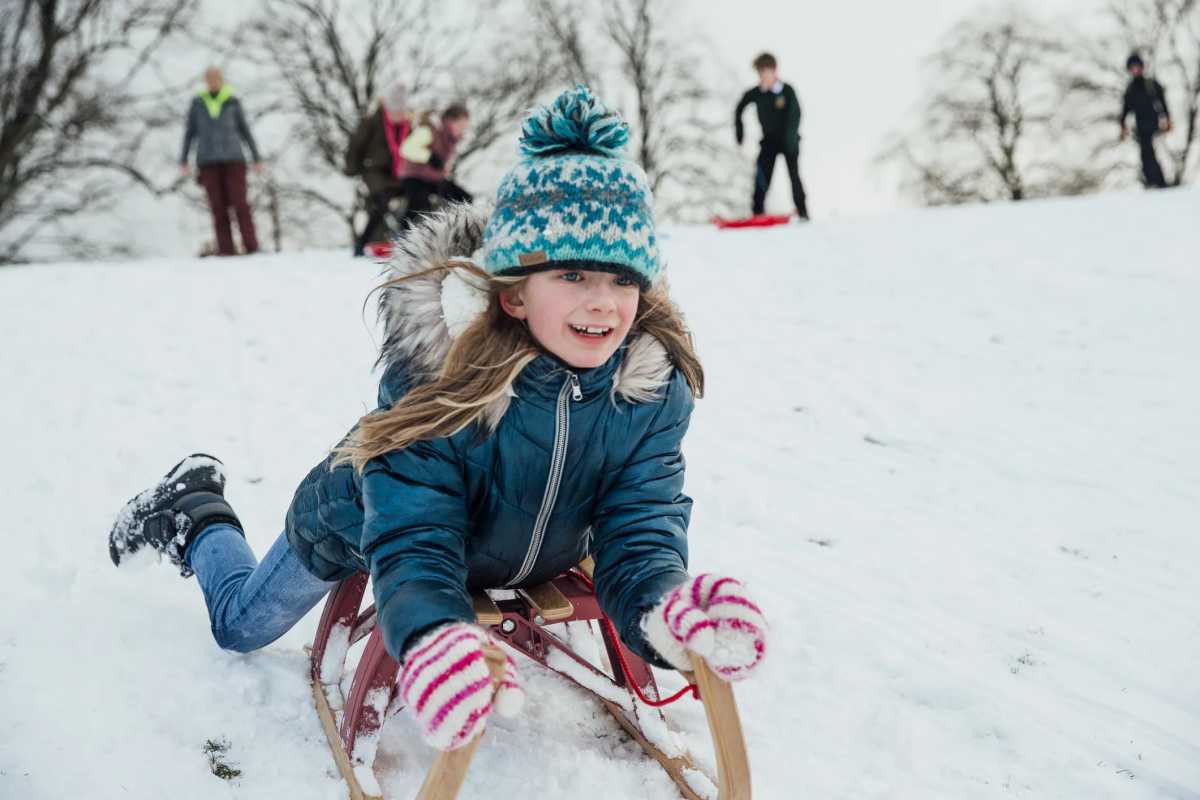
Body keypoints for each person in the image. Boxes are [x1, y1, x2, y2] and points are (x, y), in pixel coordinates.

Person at [108, 86, 769, 753]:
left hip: (510, 547)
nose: (603, 303)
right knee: (241, 626)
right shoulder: (440, 379)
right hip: (361, 515)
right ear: (512, 293)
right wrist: (430, 633)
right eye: (572, 276)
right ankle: (196, 512)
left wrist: (665, 606)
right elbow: (415, 538)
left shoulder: (648, 391)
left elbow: (640, 521)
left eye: (623, 279)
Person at [180, 67, 263, 256]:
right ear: (205, 81)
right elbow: (189, 133)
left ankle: (252, 246)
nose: (213, 81)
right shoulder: (198, 104)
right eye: (210, 78)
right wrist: (184, 159)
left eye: (217, 77)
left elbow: (245, 131)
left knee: (240, 203)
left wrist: (256, 157)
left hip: (234, 159)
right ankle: (225, 250)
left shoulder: (232, 102)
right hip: (207, 161)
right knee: (218, 207)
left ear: (222, 80)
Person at [735, 52, 809, 220]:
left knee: (794, 176)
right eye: (760, 74)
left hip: (788, 140)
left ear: (774, 71)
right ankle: (757, 212)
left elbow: (795, 115)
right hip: (769, 141)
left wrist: (790, 140)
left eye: (765, 73)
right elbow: (739, 108)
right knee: (761, 175)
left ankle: (803, 212)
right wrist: (740, 132)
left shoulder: (787, 91)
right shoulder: (757, 93)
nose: (763, 77)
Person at [345, 81, 411, 256]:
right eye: (395, 111)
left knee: (416, 195)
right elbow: (356, 146)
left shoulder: (407, 124)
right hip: (374, 170)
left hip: (400, 171)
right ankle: (362, 242)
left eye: (401, 111)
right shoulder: (372, 122)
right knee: (382, 201)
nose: (398, 114)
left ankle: (406, 239)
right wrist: (353, 169)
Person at [395, 103, 473, 232]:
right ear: (449, 120)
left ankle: (460, 231)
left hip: (433, 178)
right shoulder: (429, 130)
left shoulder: (451, 139)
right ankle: (401, 235)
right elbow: (406, 149)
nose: (463, 128)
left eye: (465, 125)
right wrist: (429, 157)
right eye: (461, 124)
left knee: (464, 198)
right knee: (420, 202)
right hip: (413, 175)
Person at [1120, 52, 1173, 189]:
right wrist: (1123, 126)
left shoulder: (1151, 84)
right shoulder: (1130, 89)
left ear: (1141, 67)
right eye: (1132, 68)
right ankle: (1154, 180)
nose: (1135, 70)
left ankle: (1158, 181)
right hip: (1140, 125)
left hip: (1153, 123)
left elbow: (1162, 102)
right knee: (1145, 153)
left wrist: (1167, 118)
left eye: (1137, 67)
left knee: (1149, 150)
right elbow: (1125, 109)